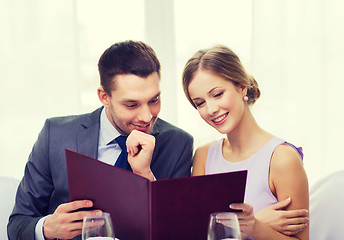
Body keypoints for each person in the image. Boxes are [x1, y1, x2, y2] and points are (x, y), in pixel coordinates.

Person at [8, 40, 193, 240]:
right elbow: (17, 226)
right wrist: (47, 228)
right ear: (104, 97)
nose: (147, 116)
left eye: (154, 100)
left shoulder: (178, 144)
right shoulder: (55, 135)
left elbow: (179, 233)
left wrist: (145, 176)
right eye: (131, 104)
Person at [182, 45, 309, 239]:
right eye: (200, 103)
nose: (211, 109)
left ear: (242, 86)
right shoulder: (203, 156)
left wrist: (255, 227)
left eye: (217, 94)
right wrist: (252, 223)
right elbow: (196, 235)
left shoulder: (281, 159)